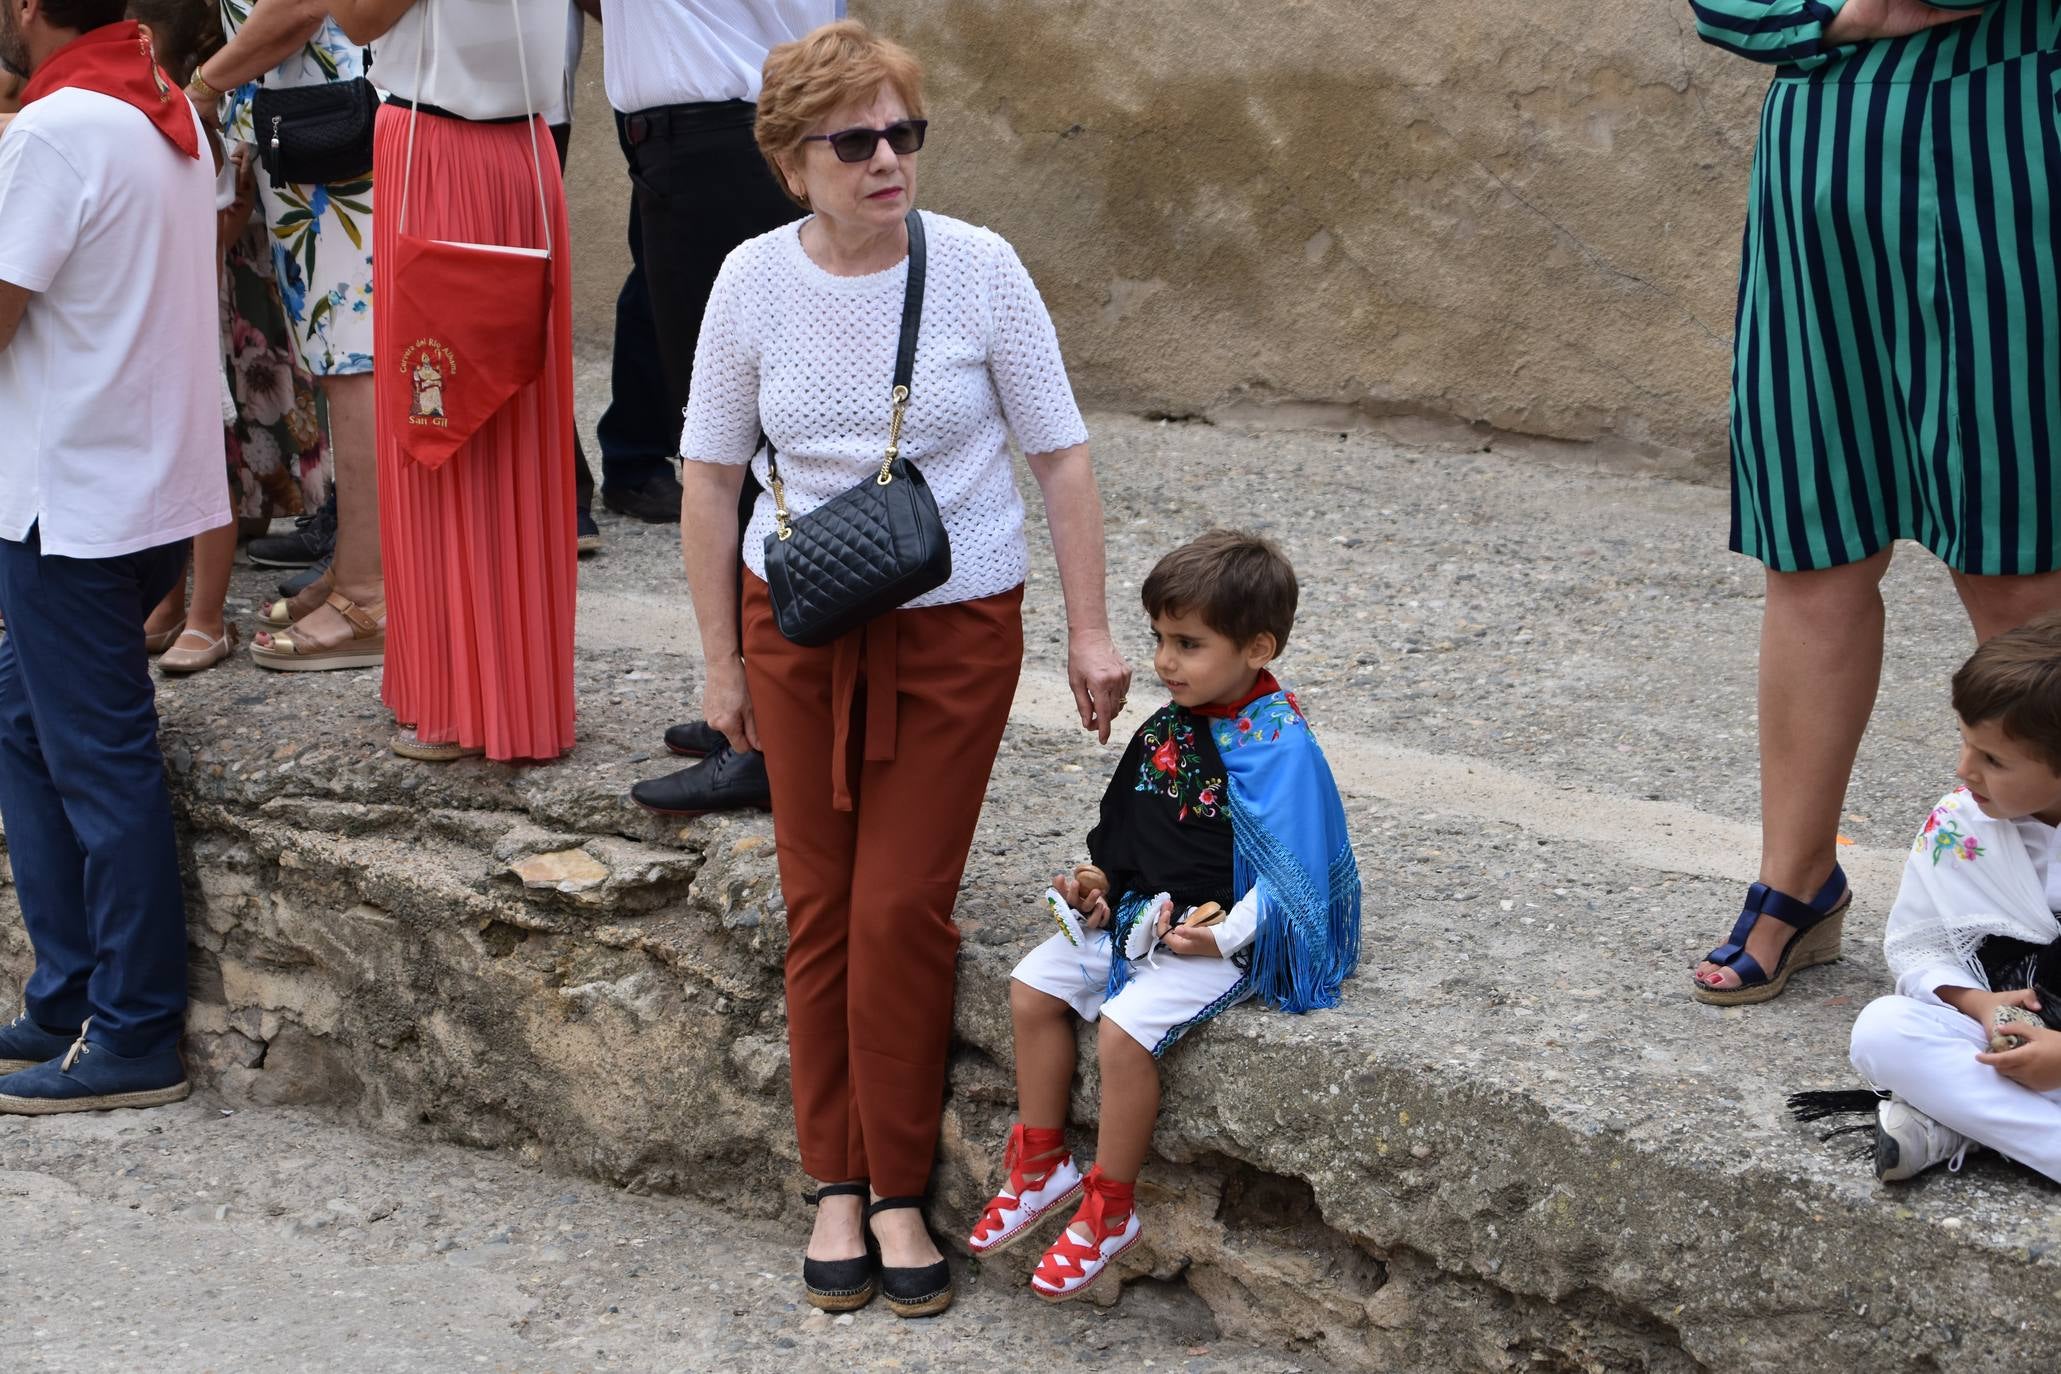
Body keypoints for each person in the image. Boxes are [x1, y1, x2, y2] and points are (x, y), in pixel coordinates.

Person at [677, 19, 1130, 1318]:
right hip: (801, 631)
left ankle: (893, 1186)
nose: (889, 160)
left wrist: (1091, 631)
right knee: (821, 909)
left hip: (952, 629)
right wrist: (721, 660)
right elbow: (709, 479)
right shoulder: (752, 284)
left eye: (904, 134)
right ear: (790, 161)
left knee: (895, 909)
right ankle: (835, 1176)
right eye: (856, 140)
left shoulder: (980, 269)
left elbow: (1062, 456)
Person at [1688, 0, 2061, 1004]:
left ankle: (2045, 921)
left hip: (2012, 129)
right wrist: (1849, 11)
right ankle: (1796, 881)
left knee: (2017, 553)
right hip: (1822, 143)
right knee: (1813, 539)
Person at [966, 532, 1362, 1301]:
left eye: (1187, 643)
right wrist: (1096, 881)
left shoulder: (1279, 747)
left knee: (1122, 1032)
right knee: (1031, 987)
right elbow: (1128, 828)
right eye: (1157, 638)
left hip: (1221, 935)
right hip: (1140, 915)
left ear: (1257, 647)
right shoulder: (1169, 727)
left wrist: (1224, 935)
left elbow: (1296, 875)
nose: (1164, 662)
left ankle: (1110, 1208)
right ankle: (1042, 1164)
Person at [0, 0, 224, 1112]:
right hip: (145, 491)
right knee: (26, 721)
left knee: (100, 762)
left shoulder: (53, 132)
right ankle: (69, 992)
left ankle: (133, 1030)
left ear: (31, 7)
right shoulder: (167, 107)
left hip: (67, 500)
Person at [324, 0, 576, 763]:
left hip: (436, 150)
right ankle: (513, 694)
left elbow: (360, 19)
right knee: (505, 418)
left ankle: (456, 702)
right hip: (523, 152)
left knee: (439, 417)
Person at [604, 0, 839, 819]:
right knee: (742, 441)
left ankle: (770, 734)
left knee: (737, 451)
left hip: (713, 142)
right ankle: (764, 706)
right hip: (711, 139)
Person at [195, 0, 381, 670]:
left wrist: (201, 88)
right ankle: (356, 567)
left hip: (330, 126)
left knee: (354, 360)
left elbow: (300, 6)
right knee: (338, 360)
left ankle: (371, 591)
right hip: (303, 125)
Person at [1847, 614, 2061, 1183]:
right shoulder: (1958, 827)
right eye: (1966, 743)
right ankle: (2011, 1129)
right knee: (1882, 1030)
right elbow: (1922, 947)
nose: (1964, 770)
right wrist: (1980, 1005)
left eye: (1993, 760)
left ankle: (1955, 1122)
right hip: (2007, 1041)